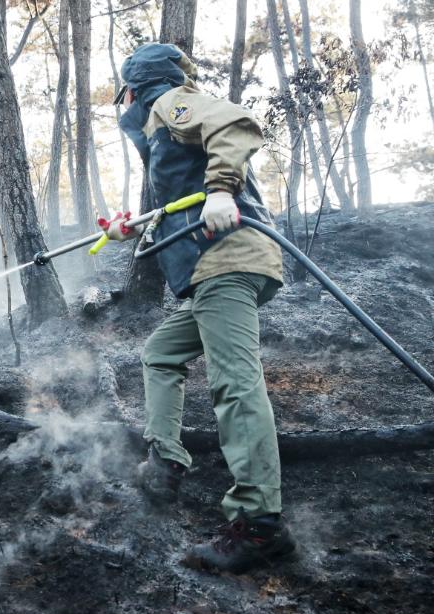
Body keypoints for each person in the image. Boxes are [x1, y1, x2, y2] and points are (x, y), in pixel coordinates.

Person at [100, 42, 296, 573]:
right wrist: (130, 228)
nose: (126, 105)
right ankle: (165, 460)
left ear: (135, 89)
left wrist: (222, 190)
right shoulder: (161, 137)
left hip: (226, 262)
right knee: (161, 352)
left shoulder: (169, 103)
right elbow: (179, 203)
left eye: (126, 95)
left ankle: (259, 525)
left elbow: (234, 123)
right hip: (214, 269)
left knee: (235, 382)